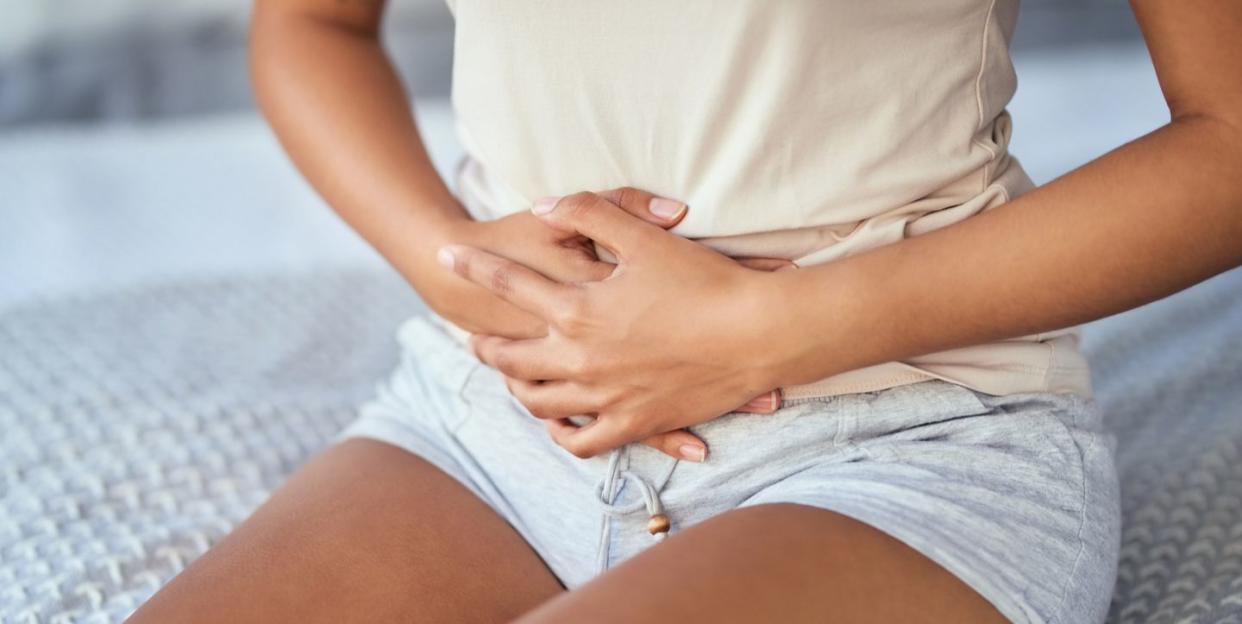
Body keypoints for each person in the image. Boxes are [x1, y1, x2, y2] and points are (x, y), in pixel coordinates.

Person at [129, 1, 1242, 622]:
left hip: (909, 440)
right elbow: (313, 26)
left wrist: (762, 333)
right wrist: (450, 266)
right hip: (493, 420)